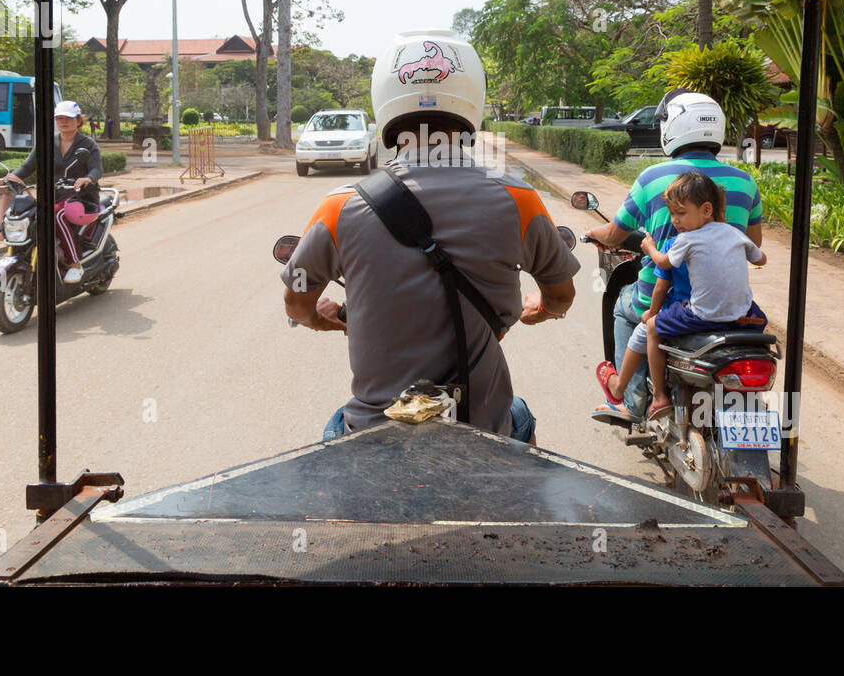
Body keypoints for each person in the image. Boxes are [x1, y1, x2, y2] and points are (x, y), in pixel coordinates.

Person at [281, 32, 580, 445]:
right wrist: (541, 309)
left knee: (338, 429)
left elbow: (297, 304)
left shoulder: (339, 207)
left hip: (375, 429)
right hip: (482, 426)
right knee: (518, 414)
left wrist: (321, 319)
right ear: (472, 102)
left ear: (384, 105)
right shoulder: (518, 199)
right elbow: (561, 296)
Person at [584, 90, 763, 422]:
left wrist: (594, 235)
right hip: (727, 303)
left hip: (675, 301)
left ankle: (632, 401)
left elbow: (614, 235)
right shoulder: (745, 182)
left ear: (672, 127)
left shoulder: (653, 178)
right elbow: (755, 244)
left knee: (626, 307)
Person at [597, 172, 767, 420]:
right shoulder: (735, 234)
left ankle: (654, 397)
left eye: (681, 213)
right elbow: (761, 258)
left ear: (707, 209)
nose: (675, 220)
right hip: (742, 315)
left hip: (701, 315)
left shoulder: (683, 240)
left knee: (650, 326)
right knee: (760, 328)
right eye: (672, 214)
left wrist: (649, 248)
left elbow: (662, 271)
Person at [0, 100, 102, 283]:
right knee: (25, 215)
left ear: (78, 120)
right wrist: (7, 178)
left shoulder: (88, 145)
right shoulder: (47, 142)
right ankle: (15, 255)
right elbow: (27, 167)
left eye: (68, 118)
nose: (63, 122)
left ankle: (75, 264)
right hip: (54, 196)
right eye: (59, 118)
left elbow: (96, 169)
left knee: (57, 215)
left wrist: (88, 179)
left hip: (81, 197)